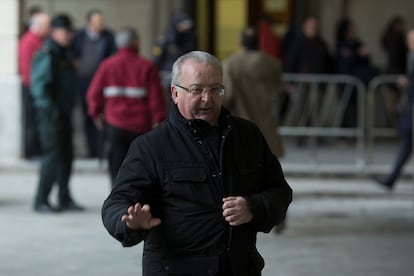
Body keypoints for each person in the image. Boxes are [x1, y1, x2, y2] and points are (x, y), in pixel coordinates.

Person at [101, 50, 292, 275]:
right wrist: (129, 222)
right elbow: (115, 204)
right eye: (196, 90)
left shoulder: (247, 136)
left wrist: (253, 207)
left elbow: (280, 191)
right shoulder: (151, 146)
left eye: (215, 89)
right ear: (175, 93)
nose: (207, 99)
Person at [87, 27, 167, 187]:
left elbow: (93, 93)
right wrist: (159, 119)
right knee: (139, 165)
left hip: (114, 124)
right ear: (136, 42)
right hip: (140, 126)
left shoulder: (107, 65)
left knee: (116, 165)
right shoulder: (147, 66)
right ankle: (135, 199)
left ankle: (117, 199)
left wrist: (95, 114)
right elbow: (156, 98)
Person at [31, 14, 84, 213]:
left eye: (70, 32)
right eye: (65, 32)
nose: (69, 36)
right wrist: (52, 110)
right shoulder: (48, 53)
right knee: (52, 157)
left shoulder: (63, 53)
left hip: (63, 112)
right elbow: (40, 87)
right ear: (54, 32)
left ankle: (64, 197)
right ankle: (41, 200)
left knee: (66, 156)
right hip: (51, 115)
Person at [223, 27, 284, 158]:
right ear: (259, 42)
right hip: (266, 122)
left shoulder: (231, 64)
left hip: (240, 121)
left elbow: (227, 95)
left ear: (241, 42)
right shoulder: (272, 64)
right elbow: (277, 88)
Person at [70, 9, 117, 158]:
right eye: (98, 22)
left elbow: (113, 56)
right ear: (89, 23)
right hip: (83, 82)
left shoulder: (108, 37)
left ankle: (101, 150)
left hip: (101, 83)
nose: (101, 25)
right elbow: (71, 52)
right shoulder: (79, 36)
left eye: (102, 22)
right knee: (88, 115)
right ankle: (92, 150)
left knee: (101, 116)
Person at [375, 30, 414, 191]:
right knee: (406, 142)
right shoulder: (410, 56)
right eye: (409, 39)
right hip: (412, 105)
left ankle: (392, 178)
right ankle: (392, 178)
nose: (409, 42)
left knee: (406, 139)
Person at [18, 11, 51, 159]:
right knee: (31, 122)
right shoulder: (29, 40)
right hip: (32, 88)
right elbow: (27, 67)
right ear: (38, 26)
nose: (49, 29)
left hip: (37, 88)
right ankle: (31, 152)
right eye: (47, 26)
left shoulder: (40, 40)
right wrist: (34, 88)